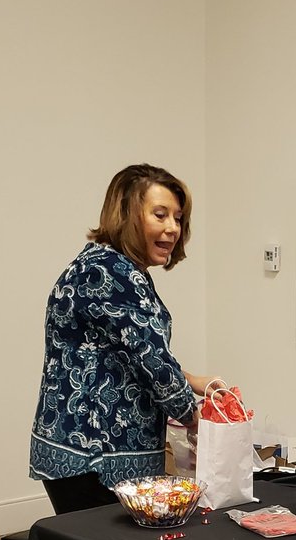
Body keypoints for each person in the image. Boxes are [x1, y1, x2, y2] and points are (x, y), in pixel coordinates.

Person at [30, 164, 218, 514]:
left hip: (80, 448)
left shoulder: (108, 265)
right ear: (127, 216)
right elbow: (151, 359)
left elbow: (124, 351)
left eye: (178, 218)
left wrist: (192, 381)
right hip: (97, 455)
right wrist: (196, 420)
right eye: (160, 215)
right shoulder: (111, 272)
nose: (172, 228)